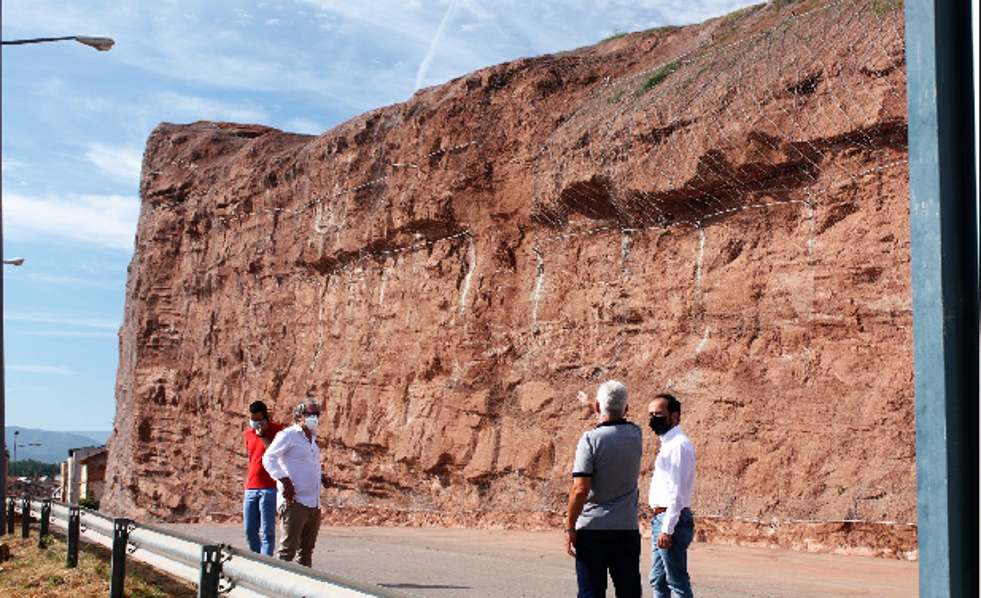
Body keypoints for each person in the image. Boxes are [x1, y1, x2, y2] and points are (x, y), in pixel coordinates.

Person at [564, 380, 644, 598]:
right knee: (629, 591)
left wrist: (570, 527)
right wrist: (594, 405)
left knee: (591, 592)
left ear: (599, 407)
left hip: (593, 528)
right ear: (626, 409)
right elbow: (615, 424)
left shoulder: (589, 440)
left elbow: (580, 489)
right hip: (626, 527)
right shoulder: (636, 435)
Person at [262, 397, 334, 567]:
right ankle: (277, 588)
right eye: (311, 414)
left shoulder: (313, 440)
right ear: (299, 415)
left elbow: (307, 465)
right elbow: (268, 458)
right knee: (288, 550)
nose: (314, 418)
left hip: (313, 504)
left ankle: (302, 590)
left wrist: (322, 476)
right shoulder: (288, 435)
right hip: (295, 503)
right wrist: (285, 481)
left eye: (317, 414)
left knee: (306, 552)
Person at [647, 393, 696, 598]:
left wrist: (667, 528)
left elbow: (677, 491)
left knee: (676, 581)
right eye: (650, 414)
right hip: (661, 518)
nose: (653, 419)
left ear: (674, 416)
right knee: (658, 578)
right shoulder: (667, 443)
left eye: (658, 414)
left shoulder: (678, 446)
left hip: (671, 519)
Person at [243, 400, 284, 556]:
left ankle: (266, 561)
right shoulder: (248, 434)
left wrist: (263, 435)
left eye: (258, 419)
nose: (255, 423)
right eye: (252, 419)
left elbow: (275, 454)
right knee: (250, 529)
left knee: (267, 530)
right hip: (251, 487)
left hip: (269, 487)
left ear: (265, 418)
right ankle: (255, 558)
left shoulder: (278, 431)